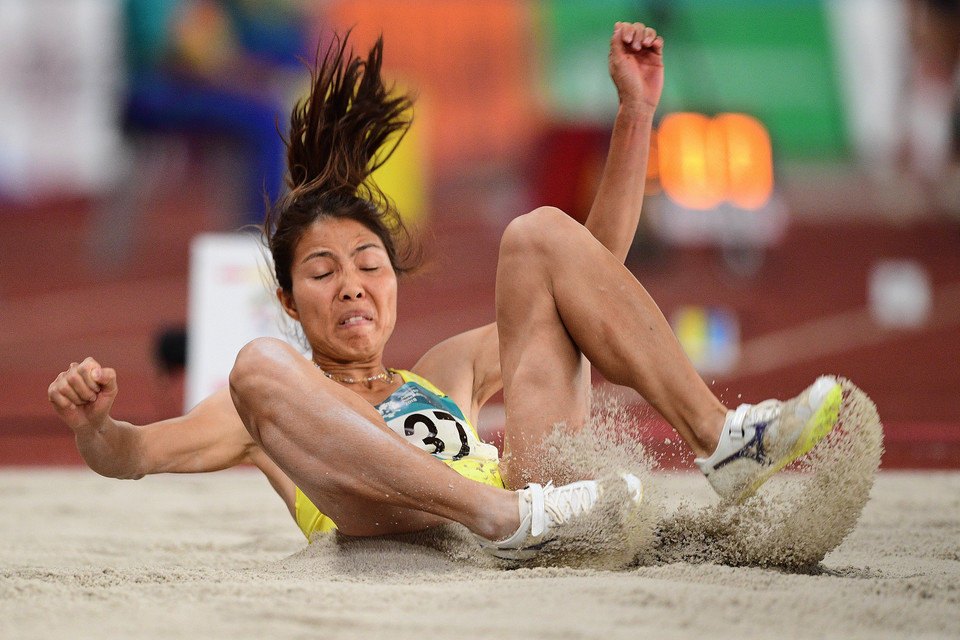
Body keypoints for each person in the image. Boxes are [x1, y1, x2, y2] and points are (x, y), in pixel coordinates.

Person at [47, 23, 842, 561]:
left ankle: (721, 438)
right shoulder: (267, 409)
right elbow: (133, 454)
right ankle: (494, 516)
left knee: (538, 233)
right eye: (322, 274)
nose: (351, 287)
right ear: (290, 301)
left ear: (394, 283)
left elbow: (591, 275)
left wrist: (635, 114)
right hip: (396, 520)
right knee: (255, 365)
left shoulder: (446, 372)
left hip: (534, 503)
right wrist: (95, 426)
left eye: (368, 265)